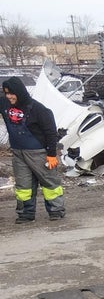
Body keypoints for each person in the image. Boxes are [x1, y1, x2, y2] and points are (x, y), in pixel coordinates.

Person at [1, 76, 66, 224]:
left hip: (39, 154)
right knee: (23, 185)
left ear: (19, 92)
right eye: (6, 93)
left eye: (12, 93)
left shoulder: (38, 109)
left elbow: (50, 132)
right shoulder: (4, 104)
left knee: (49, 183)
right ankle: (26, 213)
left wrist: (51, 154)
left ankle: (56, 211)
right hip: (18, 153)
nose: (9, 96)